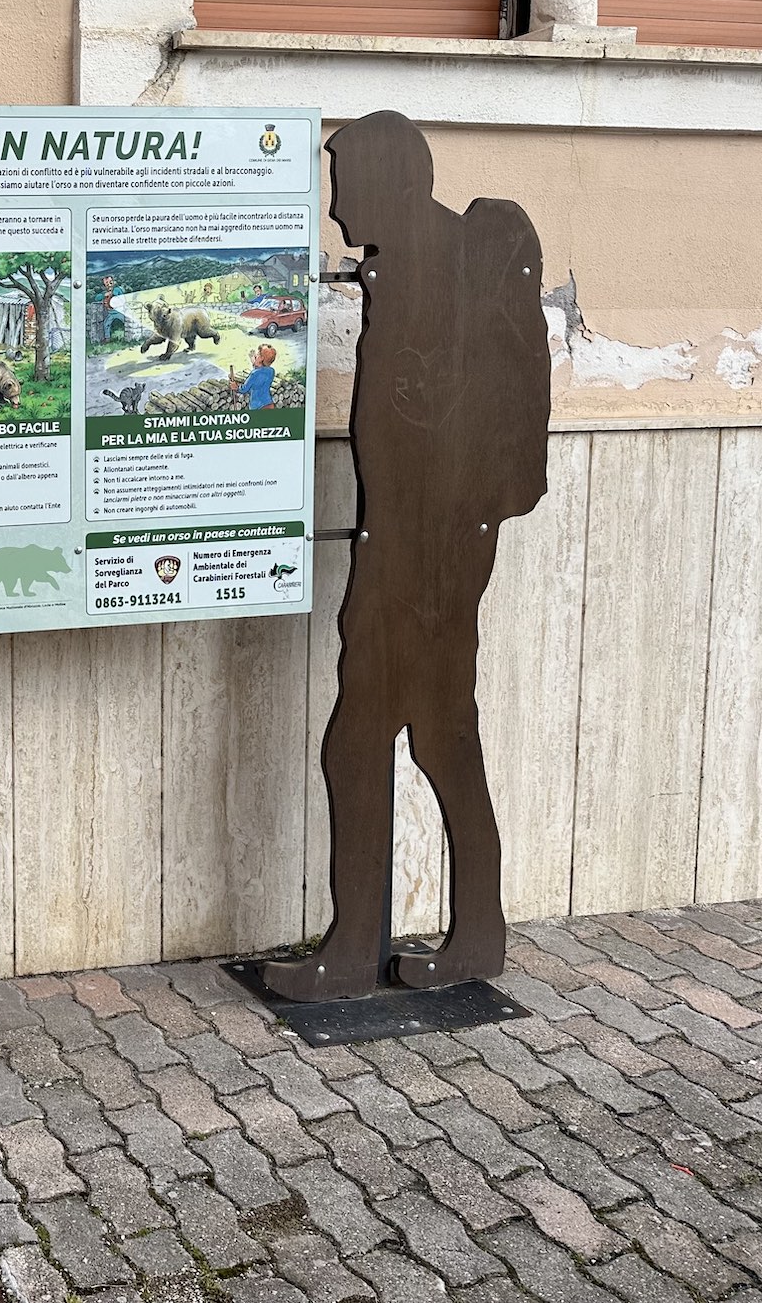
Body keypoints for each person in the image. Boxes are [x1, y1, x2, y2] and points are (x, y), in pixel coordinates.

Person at [260, 111, 549, 1003]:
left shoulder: (466, 256)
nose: (336, 206)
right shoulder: (402, 267)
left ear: (389, 178)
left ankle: (359, 955)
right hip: (408, 543)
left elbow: (503, 414)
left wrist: (452, 549)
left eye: (343, 181)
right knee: (440, 737)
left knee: (368, 743)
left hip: (430, 556)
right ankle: (474, 935)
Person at [232, 344, 278, 410]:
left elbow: (244, 389)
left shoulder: (254, 374)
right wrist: (256, 363)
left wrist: (235, 387)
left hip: (257, 407)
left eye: (258, 354)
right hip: (269, 404)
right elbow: (261, 371)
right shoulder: (271, 371)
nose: (256, 355)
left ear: (262, 358)